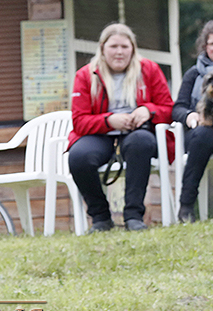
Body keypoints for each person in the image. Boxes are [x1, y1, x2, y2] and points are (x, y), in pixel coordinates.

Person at [67, 23, 173, 233]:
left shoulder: (149, 69)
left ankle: (134, 216)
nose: (119, 52)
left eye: (125, 46)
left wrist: (148, 111)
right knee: (79, 156)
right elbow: (79, 121)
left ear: (132, 48)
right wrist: (109, 121)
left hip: (138, 131)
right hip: (101, 132)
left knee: (141, 143)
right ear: (102, 48)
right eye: (113, 46)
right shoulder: (85, 75)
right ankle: (100, 218)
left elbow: (168, 108)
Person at [172, 19, 213, 223]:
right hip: (200, 132)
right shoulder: (194, 73)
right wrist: (190, 116)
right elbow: (178, 107)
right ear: (205, 46)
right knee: (203, 135)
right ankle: (187, 205)